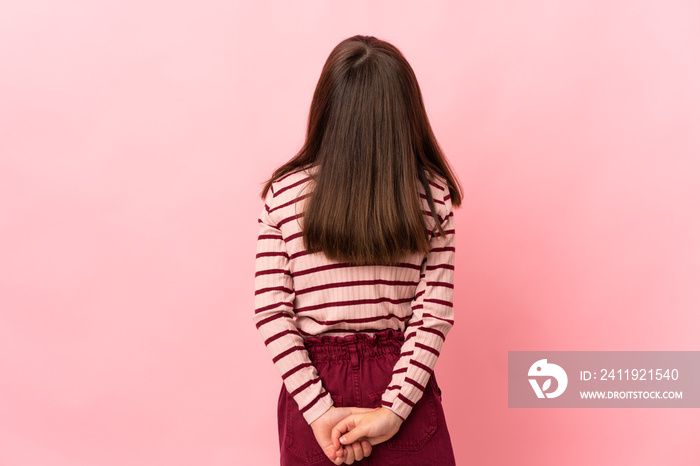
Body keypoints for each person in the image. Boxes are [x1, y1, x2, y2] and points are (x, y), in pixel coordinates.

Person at [253, 34, 463, 465]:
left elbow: (272, 312)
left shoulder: (283, 193)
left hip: (312, 382)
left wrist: (319, 411)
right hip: (403, 376)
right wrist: (393, 410)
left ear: (327, 108)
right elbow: (432, 316)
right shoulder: (432, 195)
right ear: (405, 112)